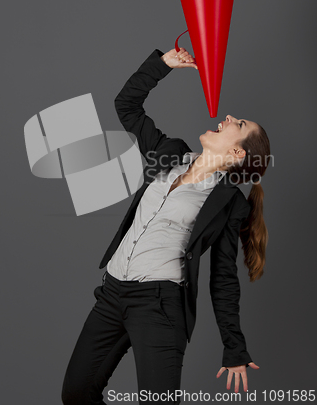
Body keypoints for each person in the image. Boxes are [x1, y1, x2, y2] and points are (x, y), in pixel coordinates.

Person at [61, 47, 271, 405]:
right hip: (112, 294)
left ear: (238, 153)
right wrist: (162, 65)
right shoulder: (170, 152)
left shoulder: (229, 202)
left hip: (158, 306)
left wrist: (233, 346)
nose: (229, 117)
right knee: (77, 394)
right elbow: (126, 105)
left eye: (238, 125)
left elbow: (223, 278)